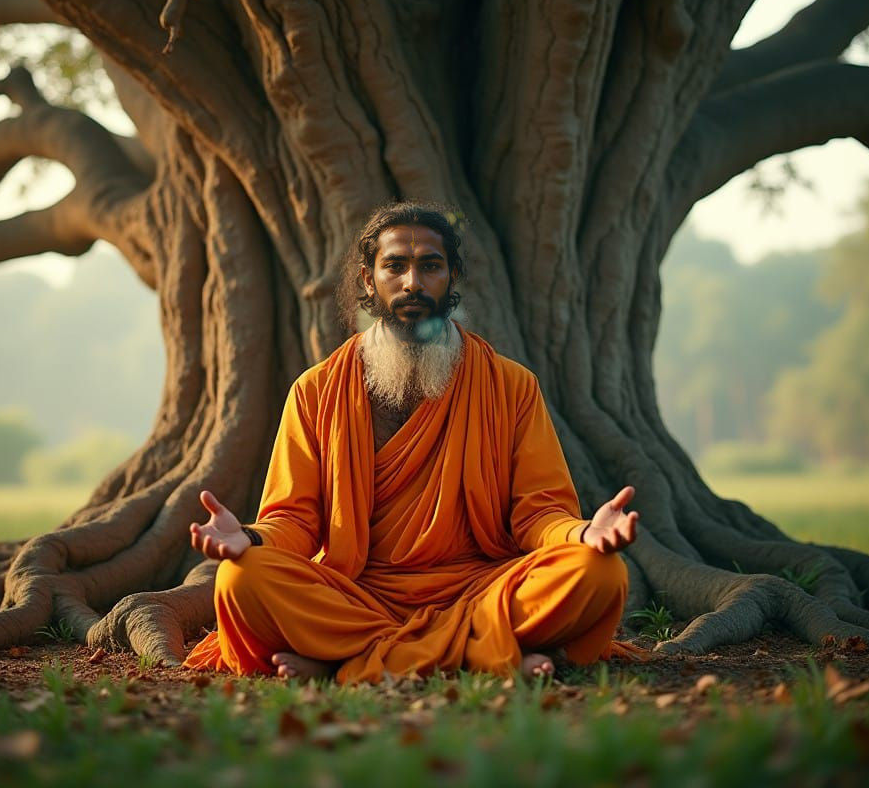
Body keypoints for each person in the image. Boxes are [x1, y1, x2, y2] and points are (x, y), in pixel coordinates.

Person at [183, 202, 639, 683]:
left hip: (480, 587)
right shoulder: (316, 391)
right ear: (367, 279)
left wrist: (581, 534)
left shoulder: (509, 385)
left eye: (430, 266)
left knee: (602, 573)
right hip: (358, 593)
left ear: (452, 276)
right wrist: (251, 538)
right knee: (240, 578)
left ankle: (346, 658)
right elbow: (294, 520)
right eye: (395, 265)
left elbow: (537, 511)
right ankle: (486, 650)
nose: (413, 283)